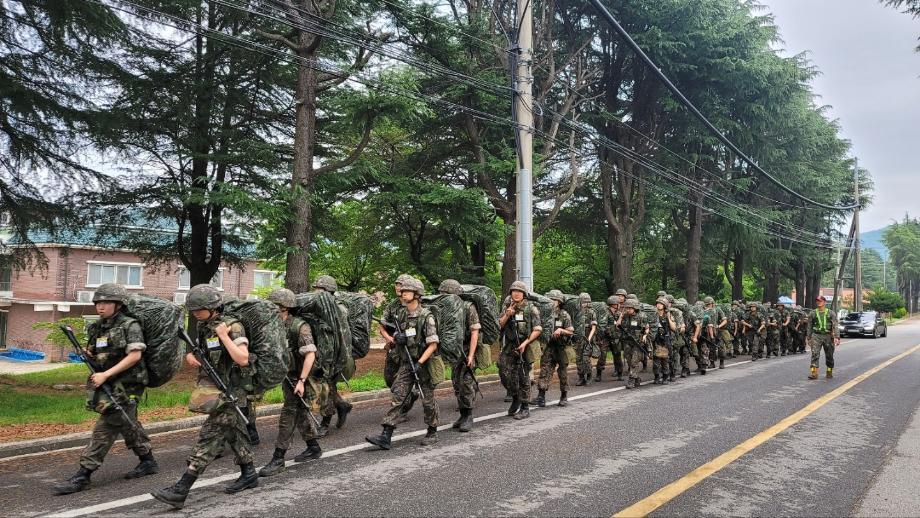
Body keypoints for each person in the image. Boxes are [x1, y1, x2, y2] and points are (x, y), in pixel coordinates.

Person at [152, 285, 257, 509]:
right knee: (235, 433)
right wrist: (192, 355)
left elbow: (243, 359)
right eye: (194, 309)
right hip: (215, 388)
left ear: (213, 307)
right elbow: (204, 351)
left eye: (200, 308)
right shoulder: (204, 327)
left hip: (231, 391)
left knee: (209, 437)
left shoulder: (232, 326)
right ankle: (249, 474)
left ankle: (181, 489)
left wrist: (224, 337)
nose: (196, 313)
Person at [53, 283, 156, 495]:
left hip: (128, 383)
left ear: (118, 304)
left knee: (107, 425)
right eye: (98, 302)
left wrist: (106, 374)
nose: (101, 306)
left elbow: (135, 356)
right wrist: (87, 354)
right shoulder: (98, 327)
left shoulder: (130, 325)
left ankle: (84, 474)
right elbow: (97, 352)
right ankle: (148, 460)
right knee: (127, 423)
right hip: (108, 382)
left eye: (106, 302)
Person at [366, 277, 441, 449]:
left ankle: (432, 430)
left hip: (425, 363)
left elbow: (433, 344)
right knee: (398, 395)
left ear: (416, 294)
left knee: (427, 399)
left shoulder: (426, 316)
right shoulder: (401, 314)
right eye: (403, 290)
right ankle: (386, 435)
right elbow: (401, 334)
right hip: (407, 362)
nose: (402, 293)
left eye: (407, 291)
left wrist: (420, 363)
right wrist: (398, 339)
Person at [258, 288, 322, 478]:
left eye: (273, 307)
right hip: (287, 377)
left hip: (303, 377)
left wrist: (302, 381)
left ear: (284, 308)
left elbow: (310, 355)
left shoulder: (300, 327)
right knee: (301, 412)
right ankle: (313, 447)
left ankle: (278, 458)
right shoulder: (276, 325)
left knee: (288, 415)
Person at [312, 275, 353, 434]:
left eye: (320, 289)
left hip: (334, 356)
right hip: (320, 354)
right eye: (316, 288)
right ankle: (342, 406)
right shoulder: (317, 307)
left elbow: (340, 337)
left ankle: (325, 422)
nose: (316, 292)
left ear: (329, 292)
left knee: (325, 388)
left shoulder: (338, 310)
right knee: (327, 386)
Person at [439, 279, 481, 433]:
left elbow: (475, 332)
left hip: (466, 349)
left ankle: (468, 415)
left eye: (445, 294)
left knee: (466, 383)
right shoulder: (445, 308)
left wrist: (471, 355)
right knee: (456, 382)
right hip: (453, 351)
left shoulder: (468, 307)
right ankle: (462, 414)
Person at [498, 281, 542, 419]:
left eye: (519, 291)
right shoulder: (507, 307)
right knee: (503, 370)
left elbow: (538, 329)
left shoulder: (531, 309)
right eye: (513, 291)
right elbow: (499, 325)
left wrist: (525, 343)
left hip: (526, 345)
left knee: (524, 376)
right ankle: (515, 396)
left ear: (524, 294)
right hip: (511, 345)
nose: (516, 293)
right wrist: (507, 315)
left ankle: (525, 407)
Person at [379, 274, 417, 419]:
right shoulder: (392, 305)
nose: (397, 287)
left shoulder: (415, 306)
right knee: (389, 379)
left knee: (400, 383)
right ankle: (410, 395)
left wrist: (405, 337)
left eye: (400, 284)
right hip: (394, 348)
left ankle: (399, 411)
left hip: (409, 349)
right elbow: (382, 326)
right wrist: (389, 338)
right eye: (396, 284)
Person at [536, 290, 574, 408]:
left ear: (559, 302)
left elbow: (571, 331)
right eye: (550, 300)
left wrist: (562, 330)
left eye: (554, 300)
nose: (551, 302)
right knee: (545, 370)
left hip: (561, 347)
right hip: (549, 346)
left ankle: (564, 395)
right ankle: (541, 396)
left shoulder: (563, 315)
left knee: (562, 372)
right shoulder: (544, 314)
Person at [807, 295, 840, 380]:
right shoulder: (812, 313)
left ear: (825, 302)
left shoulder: (831, 313)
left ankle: (829, 371)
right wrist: (809, 338)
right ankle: (814, 373)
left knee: (829, 355)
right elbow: (809, 326)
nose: (818, 302)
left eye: (820, 301)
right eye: (817, 301)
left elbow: (835, 325)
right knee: (814, 354)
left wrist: (837, 337)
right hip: (816, 335)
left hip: (828, 336)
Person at [620, 299, 650, 389]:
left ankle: (631, 380)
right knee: (629, 360)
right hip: (627, 342)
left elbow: (647, 328)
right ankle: (637, 378)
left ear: (635, 308)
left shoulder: (642, 316)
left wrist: (645, 335)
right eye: (627, 308)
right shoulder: (625, 316)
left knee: (634, 362)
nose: (628, 310)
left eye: (630, 308)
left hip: (638, 343)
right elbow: (618, 324)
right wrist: (621, 316)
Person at [599, 289, 627, 381]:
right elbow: (602, 326)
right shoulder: (605, 313)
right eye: (618, 303)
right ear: (615, 304)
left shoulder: (619, 313)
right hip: (606, 338)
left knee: (617, 355)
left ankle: (619, 373)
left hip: (616, 338)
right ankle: (599, 374)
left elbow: (623, 326)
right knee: (602, 355)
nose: (619, 305)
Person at [651, 296, 677, 384]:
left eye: (661, 304)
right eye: (658, 303)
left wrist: (669, 318)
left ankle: (666, 376)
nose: (659, 305)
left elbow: (674, 328)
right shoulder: (653, 315)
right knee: (656, 360)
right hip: (656, 339)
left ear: (665, 305)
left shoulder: (668, 315)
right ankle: (657, 376)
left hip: (665, 340)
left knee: (665, 359)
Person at [575, 293, 598, 386]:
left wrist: (589, 339)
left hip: (588, 339)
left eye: (586, 302)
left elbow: (594, 327)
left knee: (585, 359)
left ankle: (589, 375)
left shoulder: (591, 312)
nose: (584, 304)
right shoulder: (577, 312)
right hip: (578, 339)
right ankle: (581, 377)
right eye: (582, 302)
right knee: (578, 359)